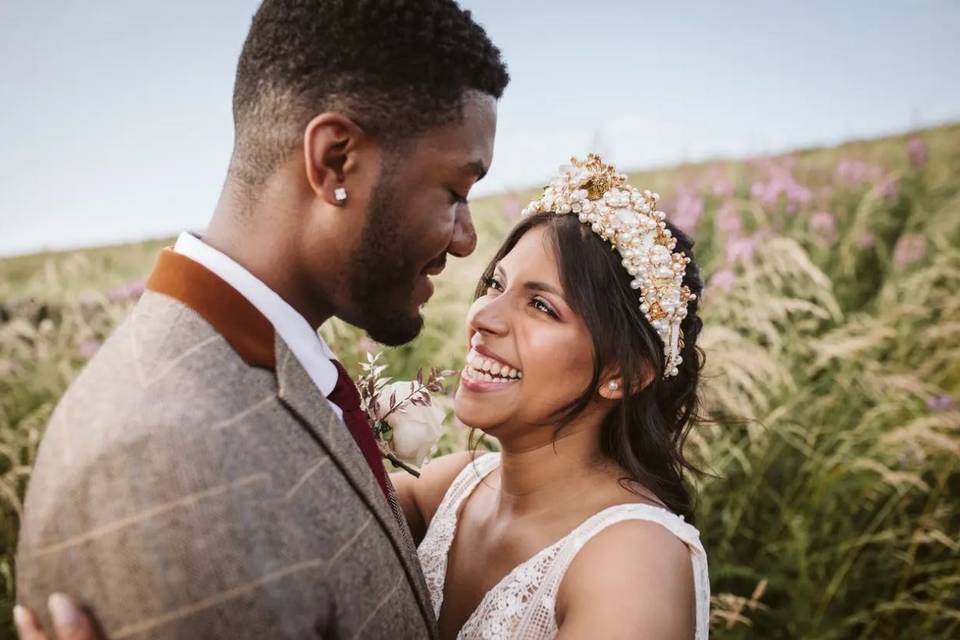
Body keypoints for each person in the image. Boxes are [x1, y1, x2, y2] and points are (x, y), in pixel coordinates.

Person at [13, 0, 508, 638]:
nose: (467, 239)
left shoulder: (270, 368)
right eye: (454, 192)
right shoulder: (165, 462)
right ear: (335, 160)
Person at [392, 156, 710, 638]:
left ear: (622, 374)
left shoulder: (633, 561)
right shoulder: (455, 488)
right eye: (496, 284)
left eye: (541, 306)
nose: (484, 318)